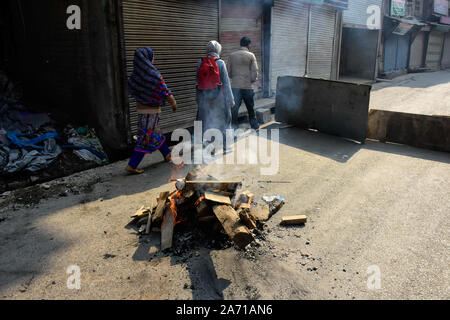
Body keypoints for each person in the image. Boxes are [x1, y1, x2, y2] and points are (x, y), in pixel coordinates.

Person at [125, 47, 178, 174]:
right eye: (152, 56)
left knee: (156, 134)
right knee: (146, 138)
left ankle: (167, 154)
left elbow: (133, 88)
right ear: (147, 58)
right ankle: (132, 165)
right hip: (151, 112)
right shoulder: (153, 74)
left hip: (142, 110)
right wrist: (173, 103)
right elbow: (165, 91)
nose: (154, 59)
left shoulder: (136, 75)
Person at [196, 40, 234, 151]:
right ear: (218, 49)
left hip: (204, 98)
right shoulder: (220, 63)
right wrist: (231, 100)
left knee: (208, 121)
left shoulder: (200, 62)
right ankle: (226, 147)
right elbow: (226, 83)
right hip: (219, 98)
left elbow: (197, 83)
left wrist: (198, 99)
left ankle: (210, 147)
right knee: (226, 120)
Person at [228, 37, 259, 130]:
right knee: (250, 108)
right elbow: (255, 71)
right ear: (248, 44)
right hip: (247, 86)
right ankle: (254, 125)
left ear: (240, 44)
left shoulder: (232, 55)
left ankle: (233, 128)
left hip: (235, 87)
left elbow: (228, 71)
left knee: (234, 109)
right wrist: (252, 80)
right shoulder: (251, 55)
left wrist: (234, 78)